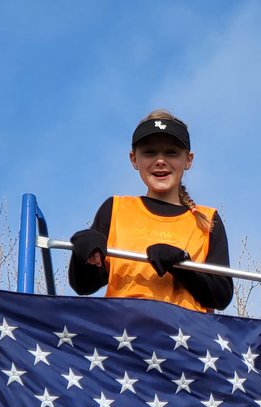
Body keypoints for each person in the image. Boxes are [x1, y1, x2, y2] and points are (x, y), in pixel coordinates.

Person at [68, 110, 234, 313]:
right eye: (150, 152)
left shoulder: (208, 220)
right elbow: (84, 285)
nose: (160, 160)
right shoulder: (115, 209)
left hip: (186, 337)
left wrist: (182, 265)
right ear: (134, 159)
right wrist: (83, 253)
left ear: (188, 160)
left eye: (171, 152)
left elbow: (221, 295)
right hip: (125, 334)